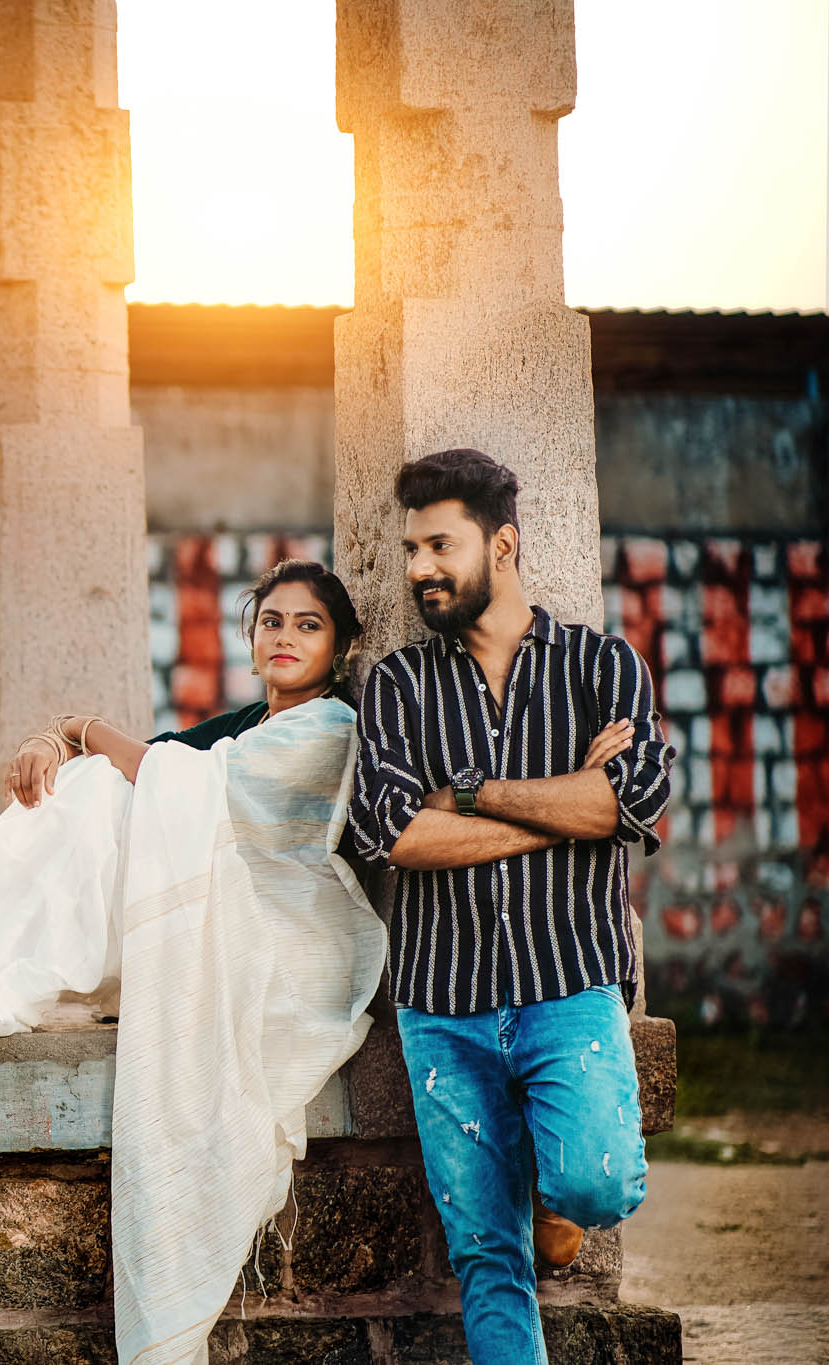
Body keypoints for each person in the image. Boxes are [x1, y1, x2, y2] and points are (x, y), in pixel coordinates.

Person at [0, 559, 389, 1365]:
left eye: (308, 624)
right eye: (272, 621)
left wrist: (81, 728)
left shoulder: (328, 725)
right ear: (252, 637)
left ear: (337, 646)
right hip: (234, 917)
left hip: (291, 944)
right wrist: (53, 741)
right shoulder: (250, 722)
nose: (286, 636)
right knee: (88, 790)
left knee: (96, 789)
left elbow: (175, 780)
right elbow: (161, 764)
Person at [346, 448, 674, 1365]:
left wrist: (470, 790)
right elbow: (399, 835)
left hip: (569, 984)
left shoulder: (602, 667)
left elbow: (630, 803)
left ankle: (555, 1206)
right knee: (487, 1255)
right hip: (440, 1006)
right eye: (411, 549)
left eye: (439, 545)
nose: (419, 568)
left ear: (504, 543)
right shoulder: (400, 686)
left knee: (597, 1181)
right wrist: (568, 806)